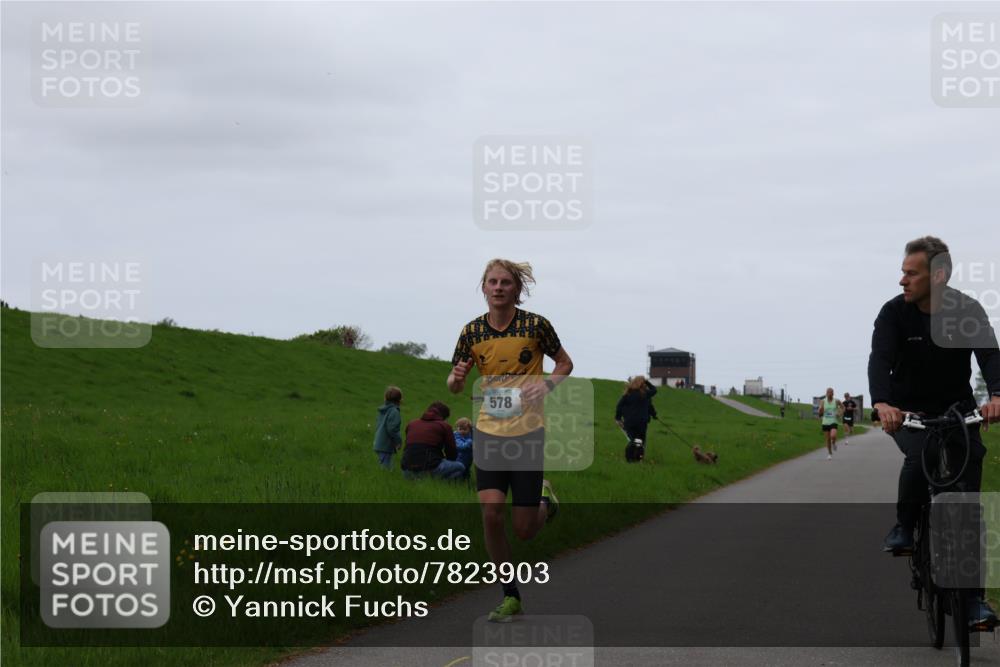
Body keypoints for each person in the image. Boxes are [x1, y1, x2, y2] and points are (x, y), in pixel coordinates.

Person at [869, 235, 1000, 625]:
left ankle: (972, 600)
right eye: (902, 272)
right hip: (907, 412)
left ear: (938, 276)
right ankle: (906, 527)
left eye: (912, 273)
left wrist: (997, 395)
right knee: (921, 452)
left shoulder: (967, 310)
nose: (902, 280)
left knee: (966, 498)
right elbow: (880, 359)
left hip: (956, 411)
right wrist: (882, 403)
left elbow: (991, 355)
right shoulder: (893, 314)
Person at [447, 259, 573, 622]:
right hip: (488, 430)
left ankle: (545, 500)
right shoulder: (471, 333)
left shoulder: (536, 325)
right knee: (490, 514)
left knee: (525, 530)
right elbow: (454, 385)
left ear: (516, 289)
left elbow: (565, 363)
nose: (498, 287)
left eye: (505, 282)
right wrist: (455, 378)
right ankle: (510, 595)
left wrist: (546, 384)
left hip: (528, 432)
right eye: (492, 282)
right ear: (483, 288)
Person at [399, 401, 465, 481]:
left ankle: (423, 481)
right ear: (443, 416)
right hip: (429, 467)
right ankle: (439, 484)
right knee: (460, 467)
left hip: (406, 470)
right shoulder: (444, 426)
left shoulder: (411, 424)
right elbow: (451, 452)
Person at [615, 376, 658, 457]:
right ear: (643, 384)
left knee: (634, 440)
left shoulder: (627, 394)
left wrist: (618, 418)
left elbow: (619, 406)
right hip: (641, 422)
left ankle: (632, 457)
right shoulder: (645, 394)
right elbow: (654, 390)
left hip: (629, 422)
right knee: (640, 441)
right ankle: (637, 457)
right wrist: (647, 382)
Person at [372, 386, 402, 470]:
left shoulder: (383, 410)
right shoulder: (394, 411)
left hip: (379, 442)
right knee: (386, 469)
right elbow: (393, 429)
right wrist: (398, 441)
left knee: (385, 467)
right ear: (399, 400)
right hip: (386, 445)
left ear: (385, 398)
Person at [819, 387, 841, 459]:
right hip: (825, 422)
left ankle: (834, 443)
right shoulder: (823, 401)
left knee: (833, 436)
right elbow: (820, 413)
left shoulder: (837, 401)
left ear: (833, 393)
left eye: (831, 392)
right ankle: (829, 453)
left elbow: (843, 408)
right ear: (826, 393)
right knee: (828, 439)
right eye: (828, 392)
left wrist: (839, 413)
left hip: (833, 421)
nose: (829, 394)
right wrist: (820, 411)